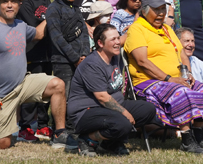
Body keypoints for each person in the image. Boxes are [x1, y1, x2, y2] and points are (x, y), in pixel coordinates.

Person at [0, 0, 69, 149]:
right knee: (3, 143)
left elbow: (39, 34)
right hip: (1, 94)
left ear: (19, 5)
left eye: (13, 1)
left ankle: (60, 133)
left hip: (23, 83)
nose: (9, 5)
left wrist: (50, 15)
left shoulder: (20, 25)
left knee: (58, 85)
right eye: (5, 2)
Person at [124, 0, 203, 154]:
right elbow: (142, 61)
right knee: (180, 91)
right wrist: (168, 78)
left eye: (163, 9)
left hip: (173, 80)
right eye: (156, 9)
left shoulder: (167, 28)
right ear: (144, 10)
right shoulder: (137, 29)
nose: (160, 13)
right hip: (147, 82)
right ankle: (187, 140)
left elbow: (181, 54)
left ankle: (199, 138)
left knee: (202, 89)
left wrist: (187, 74)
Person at [67, 24, 157, 156]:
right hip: (86, 112)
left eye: (118, 38)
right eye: (112, 40)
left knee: (148, 110)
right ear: (100, 43)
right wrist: (125, 113)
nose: (117, 42)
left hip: (110, 107)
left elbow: (128, 36)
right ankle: (88, 139)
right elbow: (102, 97)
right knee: (123, 124)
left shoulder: (114, 55)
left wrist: (138, 22)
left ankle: (110, 143)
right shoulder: (92, 64)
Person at [15, 0, 53, 140]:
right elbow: (34, 30)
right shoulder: (24, 2)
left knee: (46, 90)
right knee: (31, 92)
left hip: (47, 54)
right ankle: (26, 127)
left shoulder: (46, 1)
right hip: (31, 54)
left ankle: (43, 125)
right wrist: (51, 17)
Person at [47, 0, 90, 102]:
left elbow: (84, 32)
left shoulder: (76, 9)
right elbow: (57, 38)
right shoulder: (53, 9)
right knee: (64, 96)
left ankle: (75, 120)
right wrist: (75, 58)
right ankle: (62, 122)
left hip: (80, 61)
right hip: (63, 62)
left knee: (79, 95)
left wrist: (84, 55)